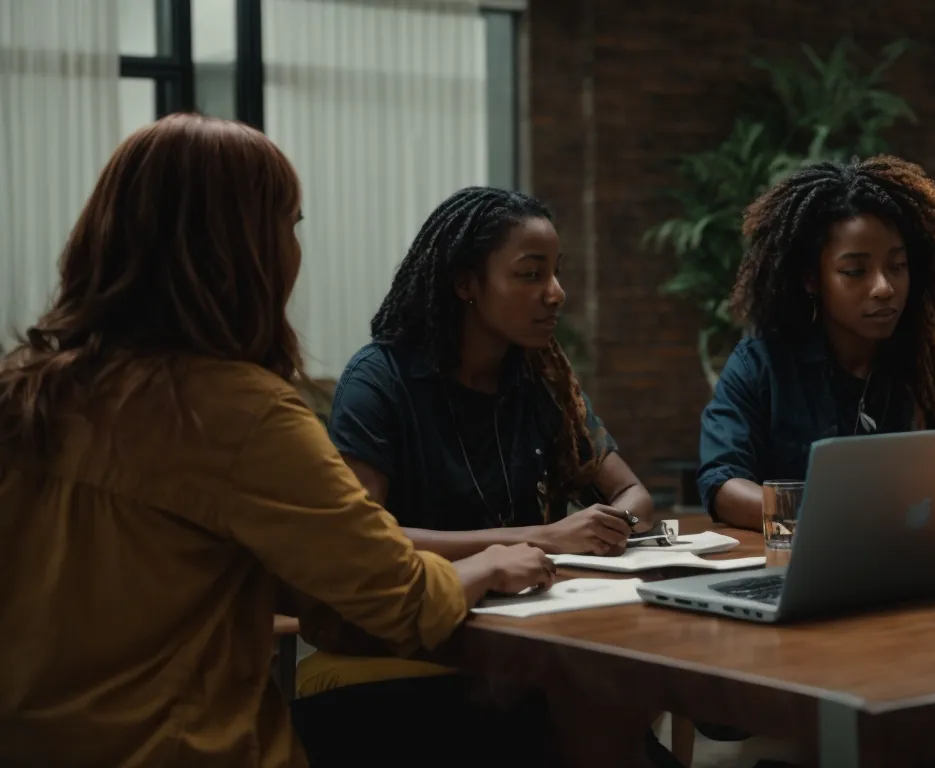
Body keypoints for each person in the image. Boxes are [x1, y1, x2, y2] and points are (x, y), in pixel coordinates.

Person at [0, 114, 553, 767]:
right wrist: (492, 563)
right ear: (237, 249)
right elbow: (397, 598)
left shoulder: (23, 391)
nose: (295, 250)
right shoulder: (240, 416)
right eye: (290, 225)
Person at [297, 186, 670, 767]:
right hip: (419, 639)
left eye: (556, 273)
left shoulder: (540, 379)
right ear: (466, 283)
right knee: (588, 709)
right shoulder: (381, 380)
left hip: (531, 626)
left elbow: (633, 494)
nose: (556, 294)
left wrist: (611, 524)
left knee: (613, 693)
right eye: (530, 275)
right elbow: (364, 542)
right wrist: (539, 537)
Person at [698, 156, 935, 532]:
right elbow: (722, 484)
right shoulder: (763, 364)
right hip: (800, 570)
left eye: (897, 266)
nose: (884, 288)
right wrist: (824, 513)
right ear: (811, 278)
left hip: (925, 568)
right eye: (855, 271)